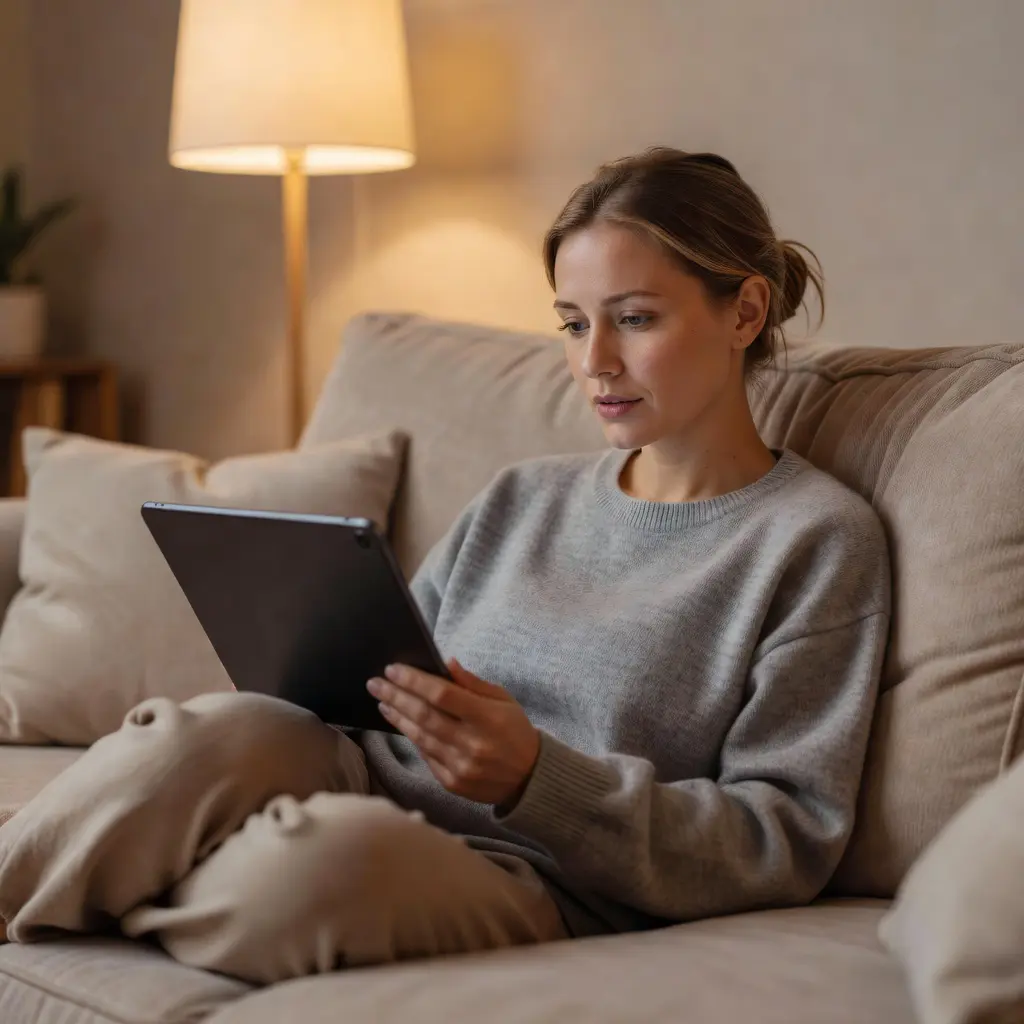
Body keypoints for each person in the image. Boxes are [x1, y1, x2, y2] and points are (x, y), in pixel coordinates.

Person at [0, 148, 890, 984]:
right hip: (369, 783)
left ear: (745, 312)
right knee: (212, 731)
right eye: (573, 323)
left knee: (304, 869)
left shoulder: (814, 540)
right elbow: (384, 691)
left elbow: (782, 839)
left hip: (545, 876)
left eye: (634, 319)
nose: (594, 362)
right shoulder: (523, 495)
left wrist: (536, 777)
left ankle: (130, 872)